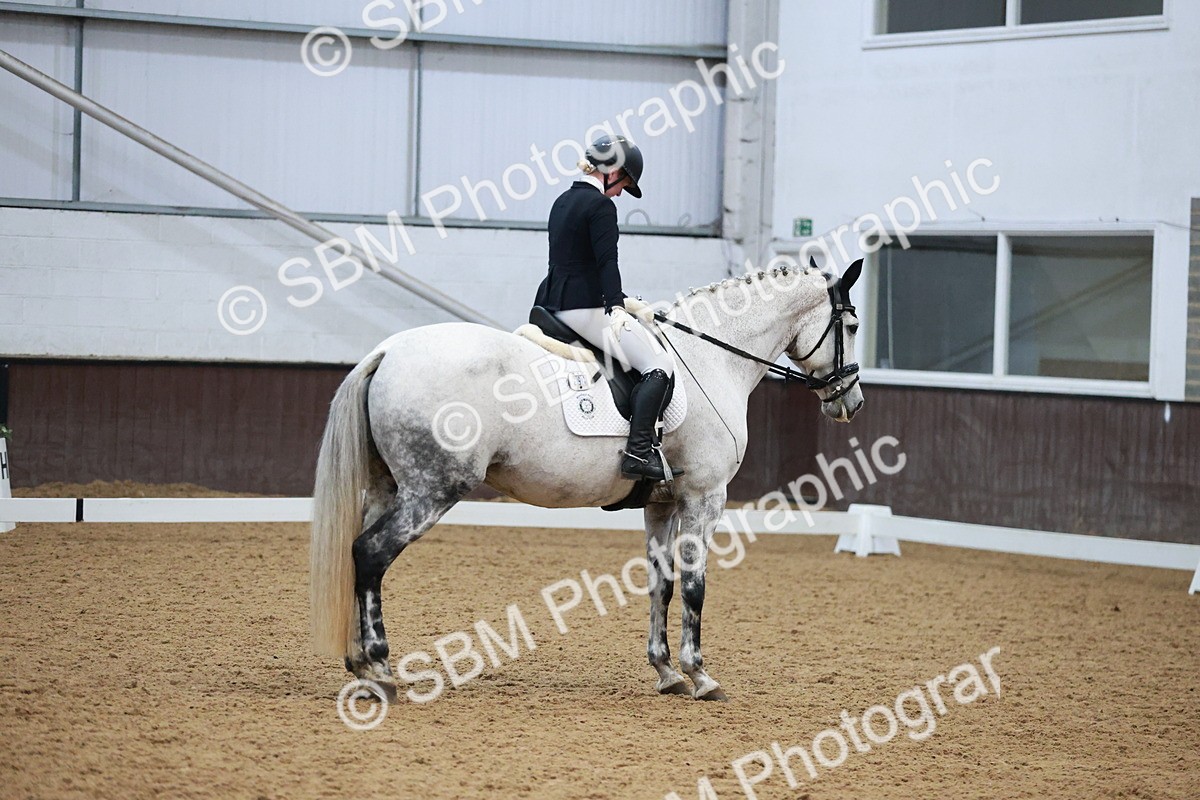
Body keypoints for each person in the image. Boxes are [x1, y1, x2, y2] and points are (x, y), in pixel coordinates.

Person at [533, 136, 683, 482]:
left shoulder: (562, 200)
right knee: (658, 364)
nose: (619, 194)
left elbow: (575, 262)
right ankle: (638, 452)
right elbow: (606, 263)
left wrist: (626, 299)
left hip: (551, 301)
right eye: (624, 185)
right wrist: (615, 308)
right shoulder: (601, 206)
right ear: (612, 172)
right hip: (583, 308)